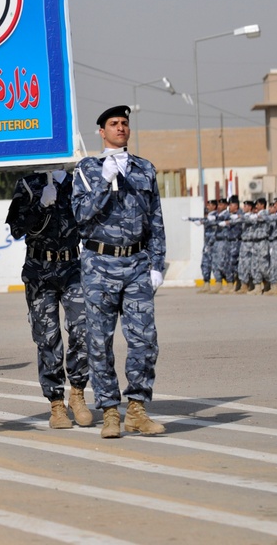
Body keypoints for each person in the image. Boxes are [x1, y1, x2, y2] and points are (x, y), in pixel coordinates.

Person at [71, 105, 166, 439]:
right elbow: (80, 215)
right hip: (99, 265)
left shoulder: (144, 169)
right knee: (99, 341)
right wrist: (104, 183)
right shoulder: (86, 169)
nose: (121, 128)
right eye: (114, 124)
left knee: (144, 340)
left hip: (137, 264)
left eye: (125, 123)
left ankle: (137, 409)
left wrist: (157, 264)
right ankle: (110, 410)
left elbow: (155, 219)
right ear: (102, 131)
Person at [6, 164, 93, 429]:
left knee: (84, 330)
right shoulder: (28, 184)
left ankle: (77, 394)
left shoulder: (80, 184)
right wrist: (41, 206)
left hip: (72, 268)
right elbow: (16, 228)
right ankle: (56, 403)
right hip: (39, 271)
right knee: (47, 338)